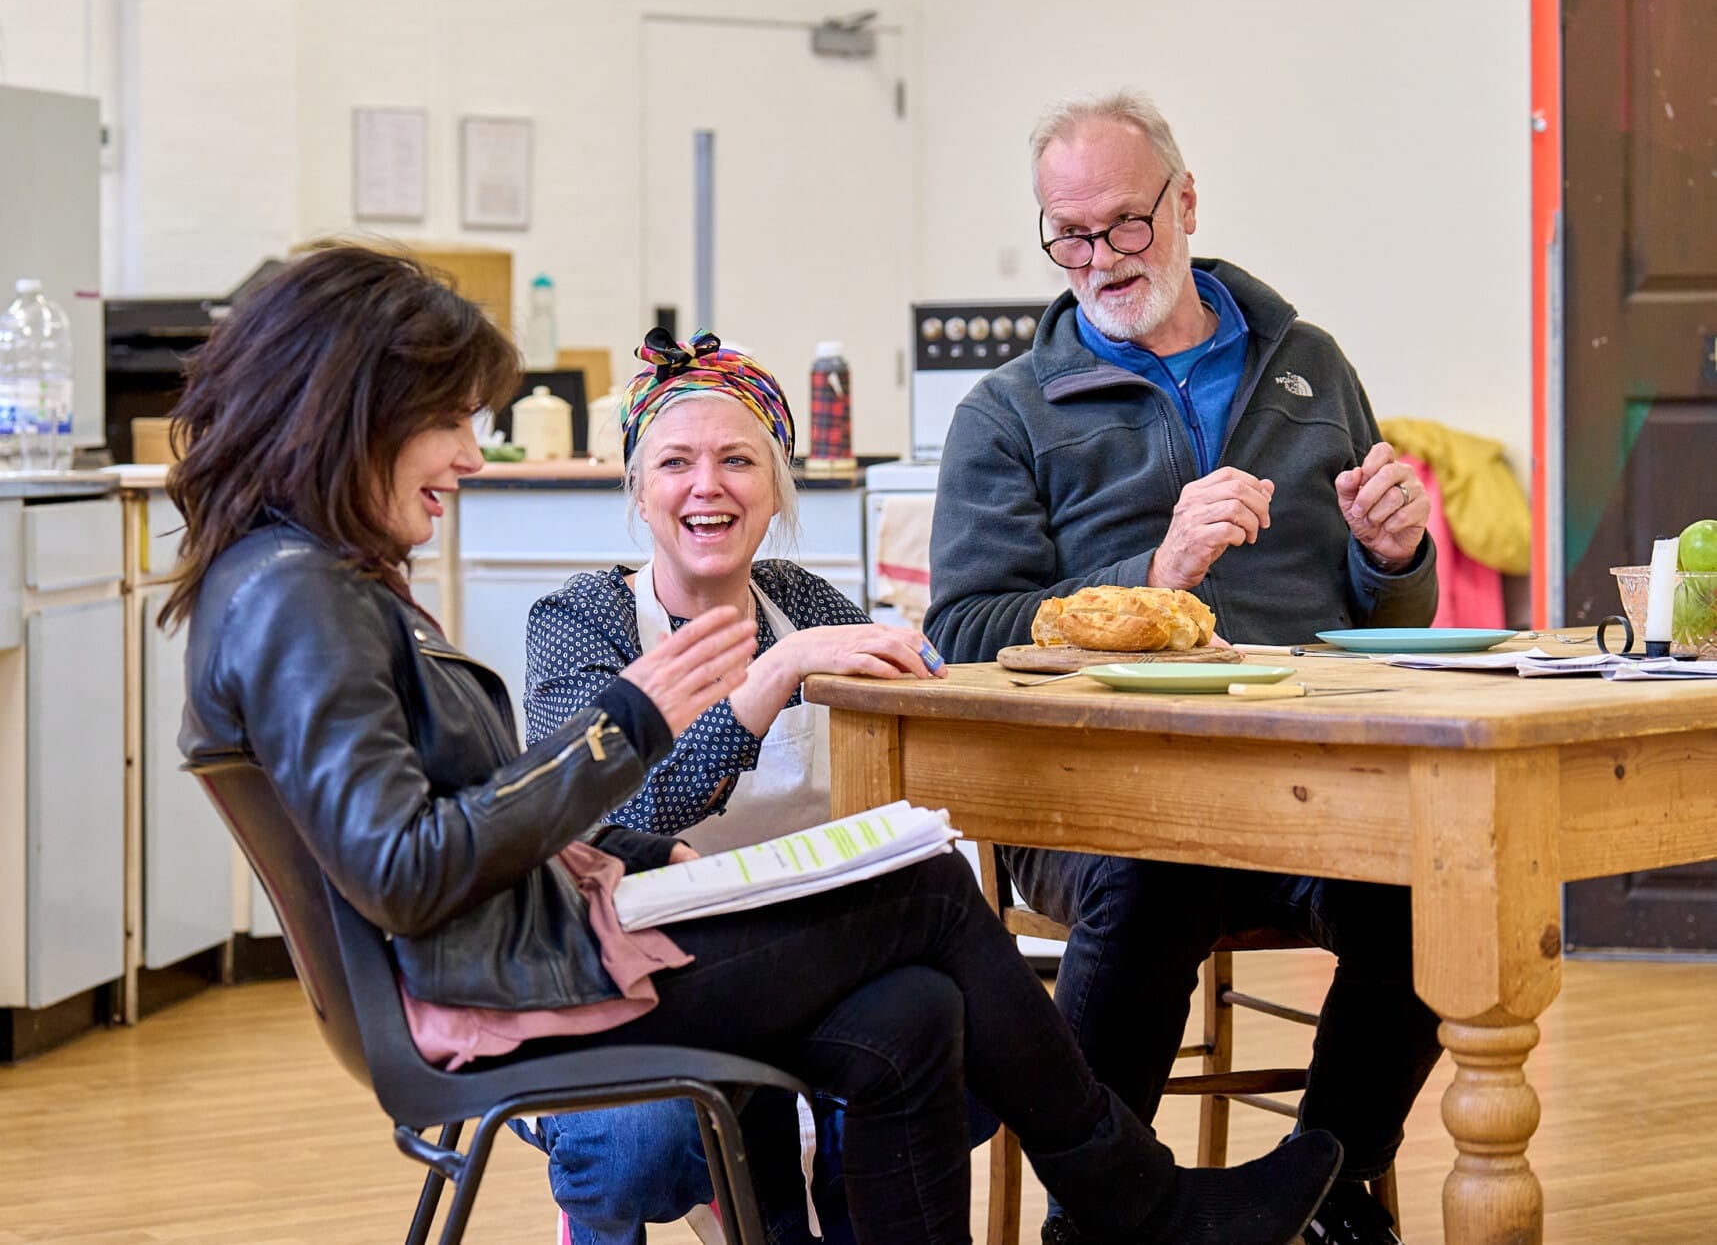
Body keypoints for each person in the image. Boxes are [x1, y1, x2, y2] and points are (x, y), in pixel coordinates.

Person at [165, 243, 1345, 1245]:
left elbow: (439, 836)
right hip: (510, 985)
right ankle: (1134, 1205)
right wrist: (631, 728)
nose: (471, 456)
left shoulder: (293, 582)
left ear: (776, 488)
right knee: (929, 899)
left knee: (912, 1016)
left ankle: (1122, 1198)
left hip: (530, 953)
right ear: (356, 410)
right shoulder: (302, 598)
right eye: (449, 421)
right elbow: (409, 868)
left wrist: (625, 830)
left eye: (736, 461)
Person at [922, 92, 1442, 1245]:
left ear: (1185, 201)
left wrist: (1393, 555)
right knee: (1150, 871)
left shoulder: (1306, 363)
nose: (1098, 259)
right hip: (1092, 802)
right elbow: (962, 631)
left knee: (1435, 883)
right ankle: (1104, 1215)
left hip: (1305, 787)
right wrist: (1150, 574)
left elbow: (1395, 613)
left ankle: (1329, 1192)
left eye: (1123, 224)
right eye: (1069, 235)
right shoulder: (1006, 414)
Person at [521, 329, 958, 1244]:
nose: (706, 485)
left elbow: (929, 695)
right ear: (640, 492)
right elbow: (610, 819)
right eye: (674, 462)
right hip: (630, 980)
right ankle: (614, 1209)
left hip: (798, 968)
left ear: (776, 490)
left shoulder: (803, 601)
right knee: (635, 1147)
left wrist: (921, 658)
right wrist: (771, 678)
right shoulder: (582, 618)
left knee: (945, 1042)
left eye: (737, 460)